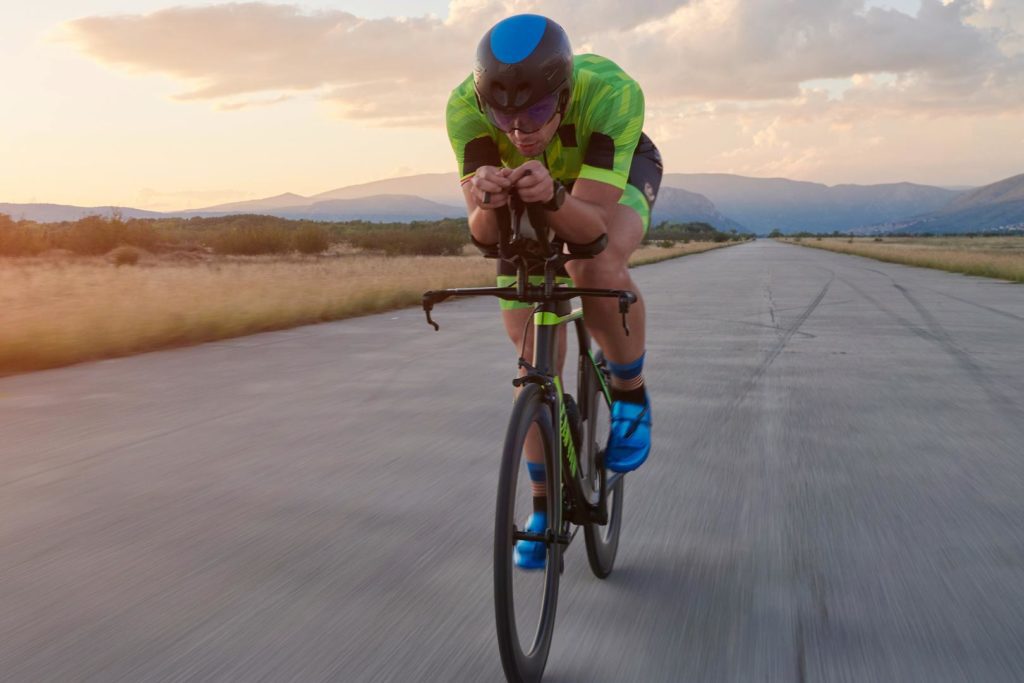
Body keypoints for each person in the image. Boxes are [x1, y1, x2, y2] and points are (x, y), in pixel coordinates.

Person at [446, 14, 662, 569]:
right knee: (529, 368)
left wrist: (553, 197)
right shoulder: (464, 108)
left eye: (537, 112)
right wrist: (487, 204)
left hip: (606, 176)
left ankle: (631, 393)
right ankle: (543, 506)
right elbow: (484, 238)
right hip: (532, 188)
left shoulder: (612, 92)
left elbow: (589, 230)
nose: (520, 132)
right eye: (504, 117)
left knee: (593, 266)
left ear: (563, 95)